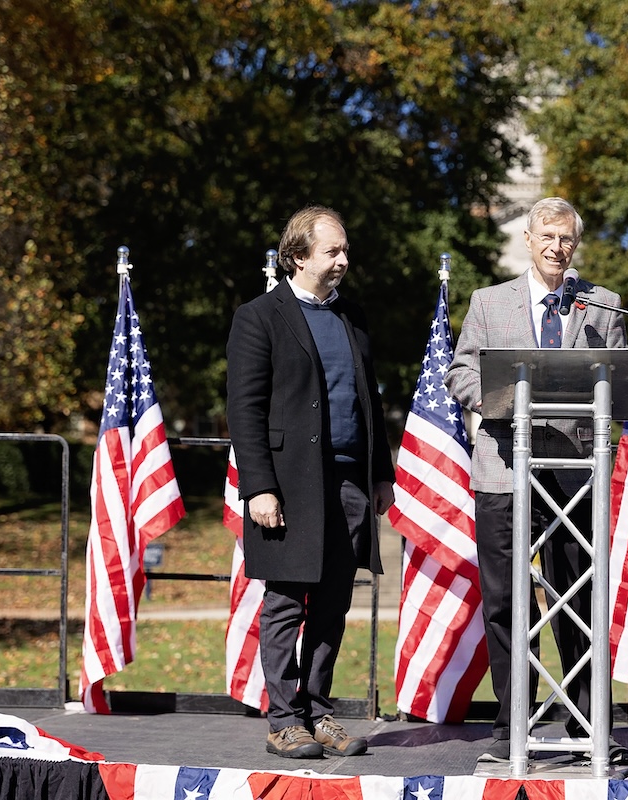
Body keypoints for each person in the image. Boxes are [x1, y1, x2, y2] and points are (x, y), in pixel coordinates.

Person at [445, 197, 628, 763]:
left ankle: (584, 726)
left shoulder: (603, 305)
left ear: (576, 245)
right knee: (504, 600)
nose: (557, 247)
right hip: (504, 466)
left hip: (574, 469)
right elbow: (459, 371)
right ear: (528, 239)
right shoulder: (488, 302)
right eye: (547, 236)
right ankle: (510, 727)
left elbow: (621, 381)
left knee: (577, 597)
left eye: (567, 239)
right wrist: (502, 404)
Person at [226, 205, 395, 759]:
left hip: (349, 483)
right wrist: (259, 488)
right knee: (284, 604)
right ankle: (284, 721)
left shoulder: (355, 317)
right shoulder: (259, 316)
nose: (345, 260)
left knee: (332, 604)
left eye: (345, 251)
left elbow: (370, 400)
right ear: (298, 256)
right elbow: (245, 411)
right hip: (288, 486)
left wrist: (379, 475)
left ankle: (320, 713)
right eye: (333, 251)